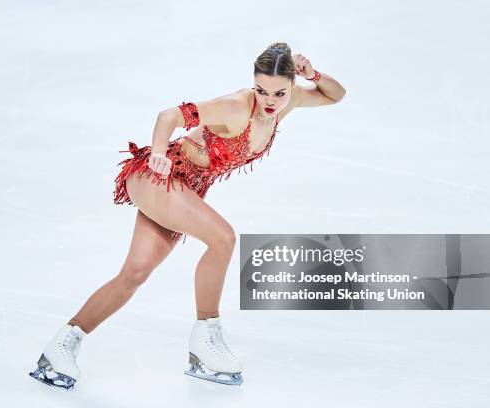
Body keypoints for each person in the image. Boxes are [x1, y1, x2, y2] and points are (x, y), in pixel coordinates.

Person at [29, 42, 346, 388]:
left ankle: (60, 348)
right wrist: (160, 154)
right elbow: (170, 116)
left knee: (134, 273)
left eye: (279, 93)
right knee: (223, 238)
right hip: (161, 176)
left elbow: (335, 95)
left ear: (291, 86)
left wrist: (313, 75)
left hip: (185, 190)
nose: (269, 101)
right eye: (262, 90)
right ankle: (206, 338)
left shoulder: (288, 103)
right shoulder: (237, 107)